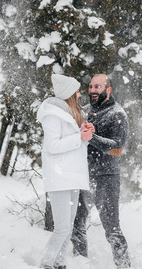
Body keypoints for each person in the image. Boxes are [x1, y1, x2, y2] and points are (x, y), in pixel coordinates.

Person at [71, 74, 131, 269]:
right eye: (90, 86)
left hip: (106, 178)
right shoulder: (85, 111)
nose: (92, 90)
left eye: (97, 86)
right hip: (82, 176)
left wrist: (92, 137)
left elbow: (117, 148)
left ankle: (124, 266)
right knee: (77, 226)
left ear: (108, 89)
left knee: (112, 229)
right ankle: (81, 264)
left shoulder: (117, 113)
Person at [37, 74, 94, 269]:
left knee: (67, 228)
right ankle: (46, 264)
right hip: (60, 177)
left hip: (72, 176)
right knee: (61, 228)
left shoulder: (70, 114)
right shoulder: (53, 115)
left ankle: (59, 264)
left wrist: (85, 132)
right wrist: (80, 137)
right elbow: (52, 146)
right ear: (69, 93)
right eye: (77, 91)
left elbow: (76, 141)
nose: (80, 95)